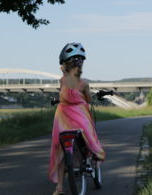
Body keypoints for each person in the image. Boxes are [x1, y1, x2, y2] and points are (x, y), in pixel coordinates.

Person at [48, 43, 106, 195]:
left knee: (60, 150)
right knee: (90, 138)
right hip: (80, 116)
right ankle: (91, 157)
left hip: (62, 118)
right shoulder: (84, 83)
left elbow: (64, 93)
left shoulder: (62, 80)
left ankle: (59, 188)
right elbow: (88, 100)